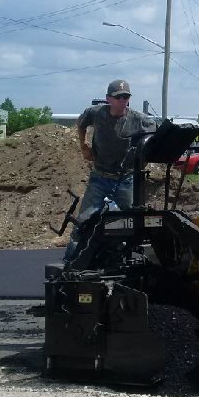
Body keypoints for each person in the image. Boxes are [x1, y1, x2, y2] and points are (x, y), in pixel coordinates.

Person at [63, 79, 156, 263]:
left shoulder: (138, 119)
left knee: (131, 221)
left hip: (125, 179)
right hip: (100, 177)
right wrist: (83, 146)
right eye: (119, 97)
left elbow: (155, 134)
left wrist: (143, 157)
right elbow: (81, 123)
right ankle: (71, 261)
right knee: (84, 221)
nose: (123, 100)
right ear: (108, 99)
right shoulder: (97, 113)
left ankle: (125, 260)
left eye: (126, 97)